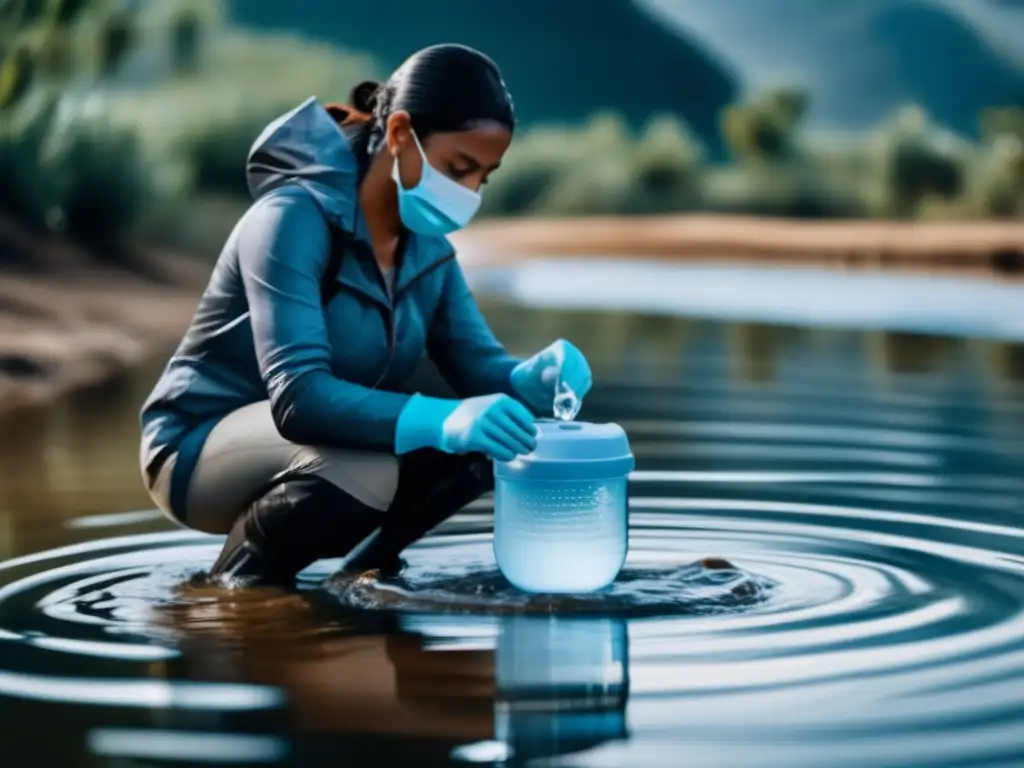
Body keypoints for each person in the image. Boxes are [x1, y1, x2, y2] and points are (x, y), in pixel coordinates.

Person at [138, 44, 593, 587]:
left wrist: (527, 380)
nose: (469, 193)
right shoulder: (290, 218)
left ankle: (365, 570)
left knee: (498, 440)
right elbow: (299, 399)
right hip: (195, 448)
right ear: (400, 134)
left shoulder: (431, 255)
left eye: (484, 178)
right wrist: (444, 419)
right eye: (459, 168)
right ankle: (231, 591)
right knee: (365, 467)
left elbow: (480, 369)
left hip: (318, 443)